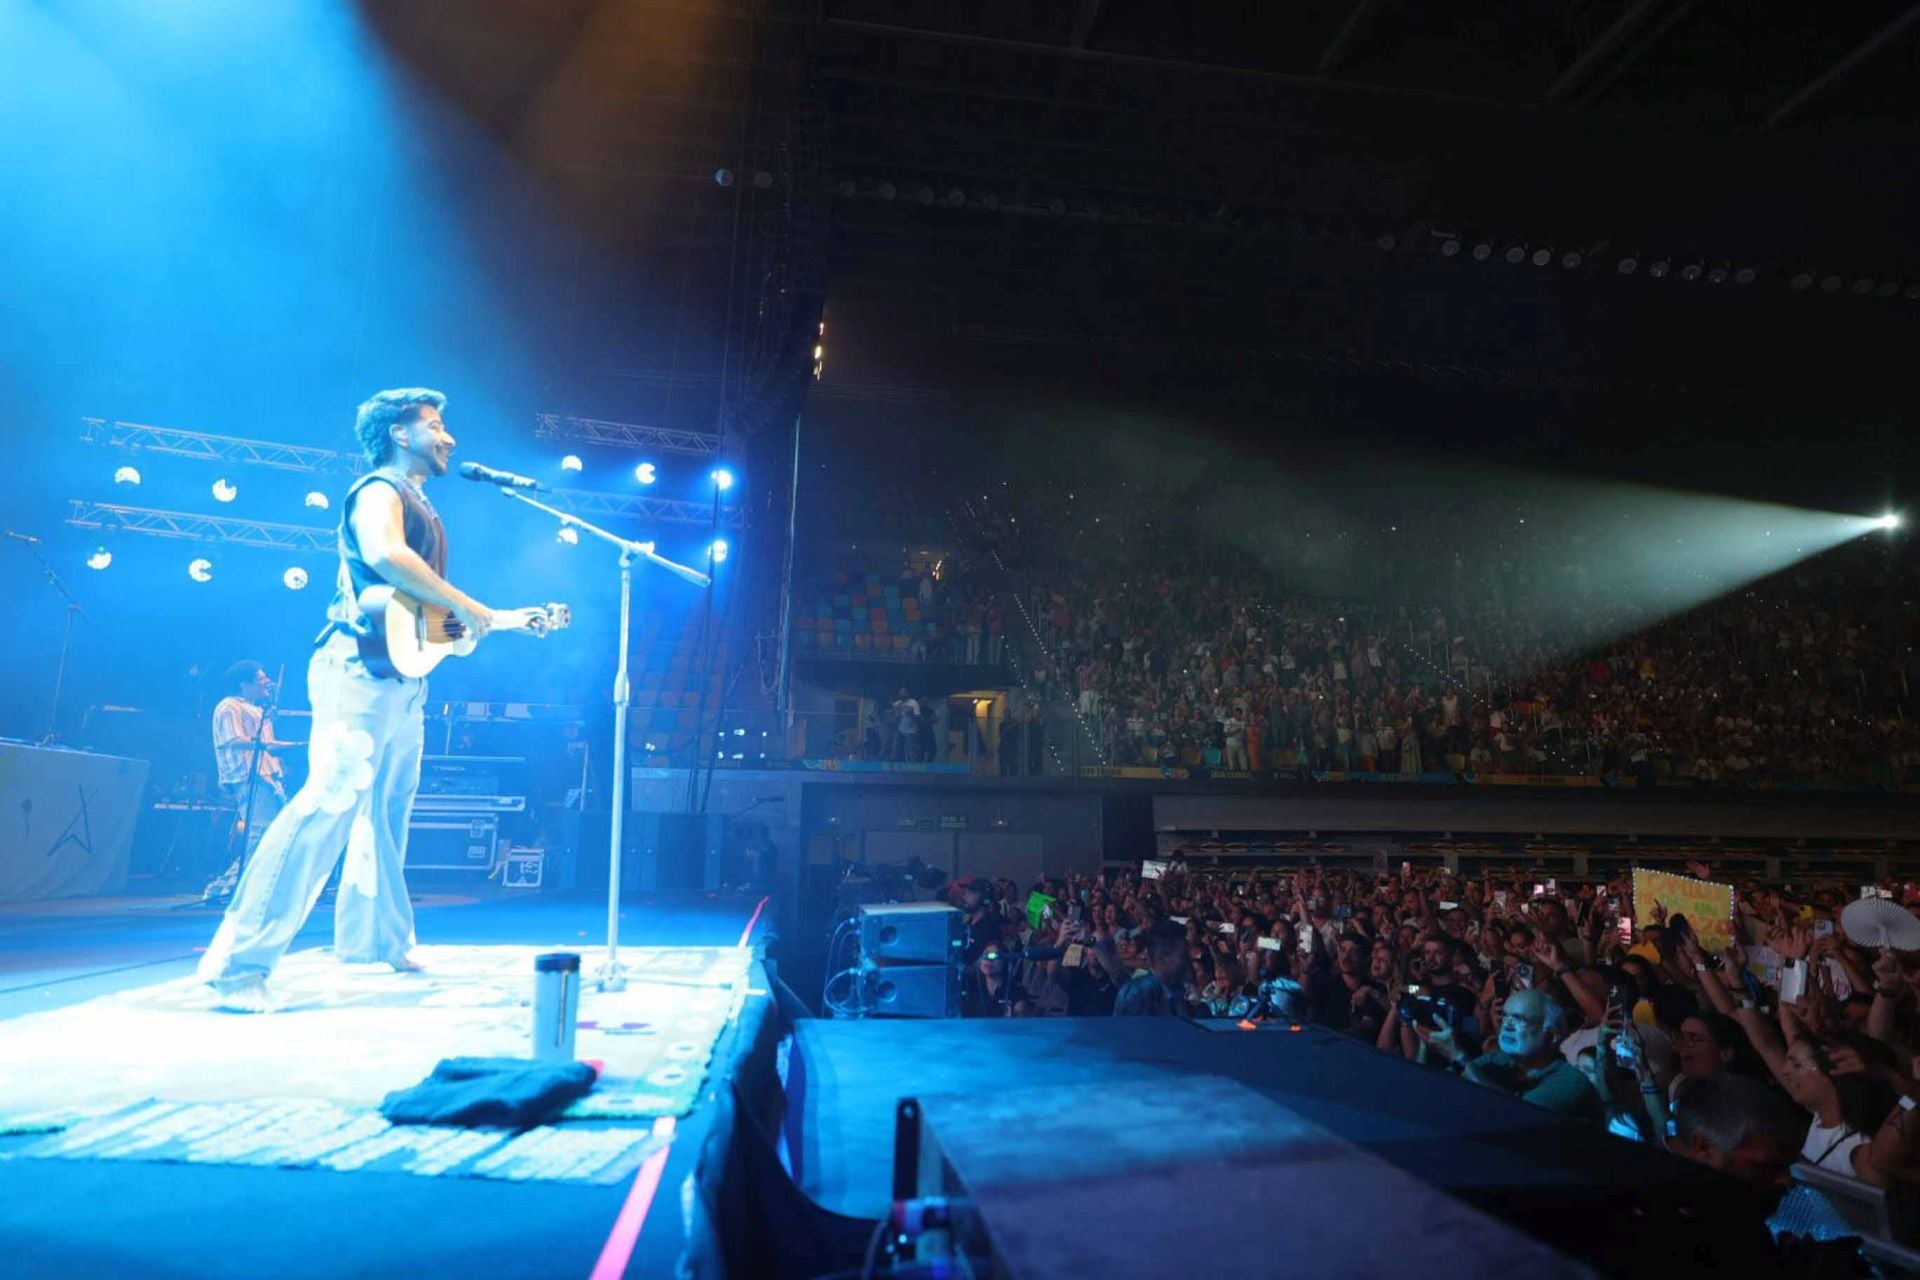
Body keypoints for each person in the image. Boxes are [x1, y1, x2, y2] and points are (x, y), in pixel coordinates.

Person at [199, 388, 543, 1012]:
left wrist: (477, 625)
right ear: (400, 434)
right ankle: (237, 961)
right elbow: (385, 557)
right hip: (356, 671)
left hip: (401, 680)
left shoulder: (422, 505)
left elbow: (419, 616)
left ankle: (373, 941)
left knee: (385, 813)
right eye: (436, 426)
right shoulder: (378, 490)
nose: (450, 438)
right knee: (327, 803)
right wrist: (467, 606)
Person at [1417, 988, 1604, 1120]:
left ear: (1551, 1036)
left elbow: (1515, 1113)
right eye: (1505, 1016)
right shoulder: (1498, 1059)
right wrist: (1425, 1043)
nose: (1507, 1025)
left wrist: (1459, 1057)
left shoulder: (1571, 1081)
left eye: (1519, 1019)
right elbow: (1433, 1092)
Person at [201, 660, 291, 903]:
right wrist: (268, 745)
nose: (267, 683)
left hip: (268, 776)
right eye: (261, 679)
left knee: (277, 834)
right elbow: (231, 739)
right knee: (261, 833)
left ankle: (252, 887)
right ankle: (226, 888)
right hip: (248, 776)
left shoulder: (258, 710)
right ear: (244, 684)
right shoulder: (228, 707)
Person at [1113, 921, 1192, 1018]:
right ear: (1162, 959)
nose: (1189, 961)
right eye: (1183, 956)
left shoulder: (1179, 991)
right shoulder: (1136, 993)